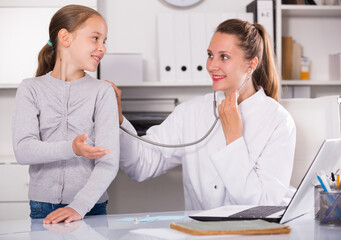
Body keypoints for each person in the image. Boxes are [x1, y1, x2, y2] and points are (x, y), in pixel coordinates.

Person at [107, 18, 296, 211]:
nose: (212, 65)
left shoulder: (277, 121)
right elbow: (140, 165)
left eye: (224, 57)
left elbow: (264, 204)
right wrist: (118, 119)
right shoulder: (191, 112)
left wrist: (233, 138)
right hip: (200, 232)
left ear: (251, 65)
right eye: (210, 55)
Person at [12, 4, 119, 224]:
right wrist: (72, 148)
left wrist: (78, 207)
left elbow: (108, 161)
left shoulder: (103, 92)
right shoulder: (30, 89)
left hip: (91, 207)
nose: (102, 48)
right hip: (43, 206)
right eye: (95, 38)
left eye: (104, 41)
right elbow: (23, 151)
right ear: (65, 38)